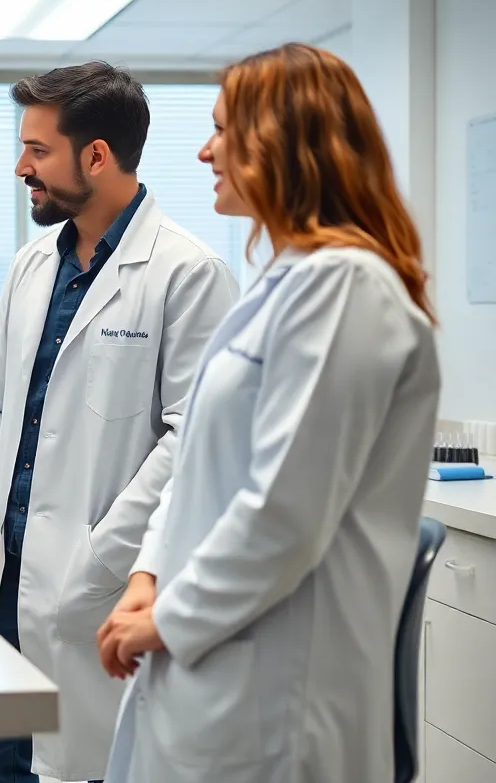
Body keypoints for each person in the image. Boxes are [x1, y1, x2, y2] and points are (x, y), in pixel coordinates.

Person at [96, 43, 441, 783]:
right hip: (214, 663)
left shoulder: (346, 289)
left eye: (222, 129)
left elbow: (285, 510)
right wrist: (149, 576)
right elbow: (197, 464)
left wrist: (167, 620)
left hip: (276, 692)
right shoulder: (282, 284)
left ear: (282, 142)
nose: (203, 150)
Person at [0, 62, 240, 783]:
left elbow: (193, 437)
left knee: (86, 766)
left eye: (38, 151)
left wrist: (103, 556)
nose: (22, 168)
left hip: (96, 586)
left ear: (97, 156)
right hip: (6, 585)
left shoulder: (186, 272)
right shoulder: (30, 266)